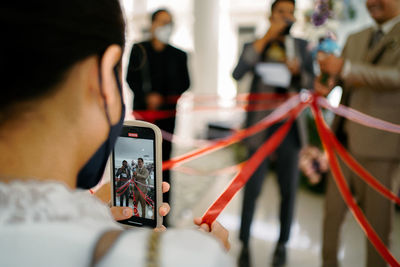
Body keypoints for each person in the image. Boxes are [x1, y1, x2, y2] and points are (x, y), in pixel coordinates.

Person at [0, 1, 232, 266]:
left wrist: (94, 216)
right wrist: (205, 255)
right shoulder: (185, 259)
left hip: (168, 118)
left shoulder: (177, 54)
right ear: (102, 76)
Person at [313, 0, 400, 266]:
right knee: (331, 217)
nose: (371, 2)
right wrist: (324, 83)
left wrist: (346, 69)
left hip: (380, 149)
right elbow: (337, 82)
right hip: (343, 143)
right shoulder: (355, 37)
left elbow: (395, 77)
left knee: (376, 228)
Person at [232, 0, 314, 266]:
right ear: (271, 16)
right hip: (260, 126)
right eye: (281, 13)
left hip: (290, 128)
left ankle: (282, 245)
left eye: (291, 13)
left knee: (288, 189)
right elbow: (238, 72)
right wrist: (267, 37)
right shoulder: (257, 44)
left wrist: (298, 71)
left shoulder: (301, 47)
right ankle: (244, 244)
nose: (286, 18)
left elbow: (311, 84)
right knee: (252, 188)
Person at [126, 8, 190, 226]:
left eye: (169, 22)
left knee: (164, 165)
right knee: (140, 164)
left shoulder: (179, 55)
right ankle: (138, 210)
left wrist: (163, 98)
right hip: (143, 116)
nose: (165, 26)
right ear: (152, 24)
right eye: (161, 22)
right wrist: (147, 96)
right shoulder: (139, 49)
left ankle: (163, 214)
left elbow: (185, 83)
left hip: (167, 119)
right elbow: (130, 78)